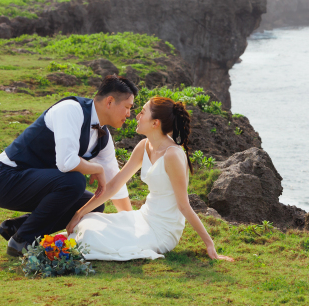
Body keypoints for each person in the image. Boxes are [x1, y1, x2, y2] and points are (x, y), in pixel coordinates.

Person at [65, 96, 233, 262]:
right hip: (143, 216)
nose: (136, 116)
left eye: (142, 113)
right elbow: (114, 185)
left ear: (155, 123)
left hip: (162, 230)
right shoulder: (144, 146)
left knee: (91, 237)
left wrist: (209, 244)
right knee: (87, 221)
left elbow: (183, 206)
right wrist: (79, 213)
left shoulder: (172, 155)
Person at [0, 75, 137, 256]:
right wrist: (96, 168)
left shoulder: (102, 136)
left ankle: (15, 228)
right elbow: (67, 163)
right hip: (6, 179)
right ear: (110, 101)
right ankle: (21, 242)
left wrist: (130, 224)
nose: (129, 114)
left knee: (93, 205)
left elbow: (114, 183)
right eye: (127, 107)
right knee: (74, 181)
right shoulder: (71, 110)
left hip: (34, 184)